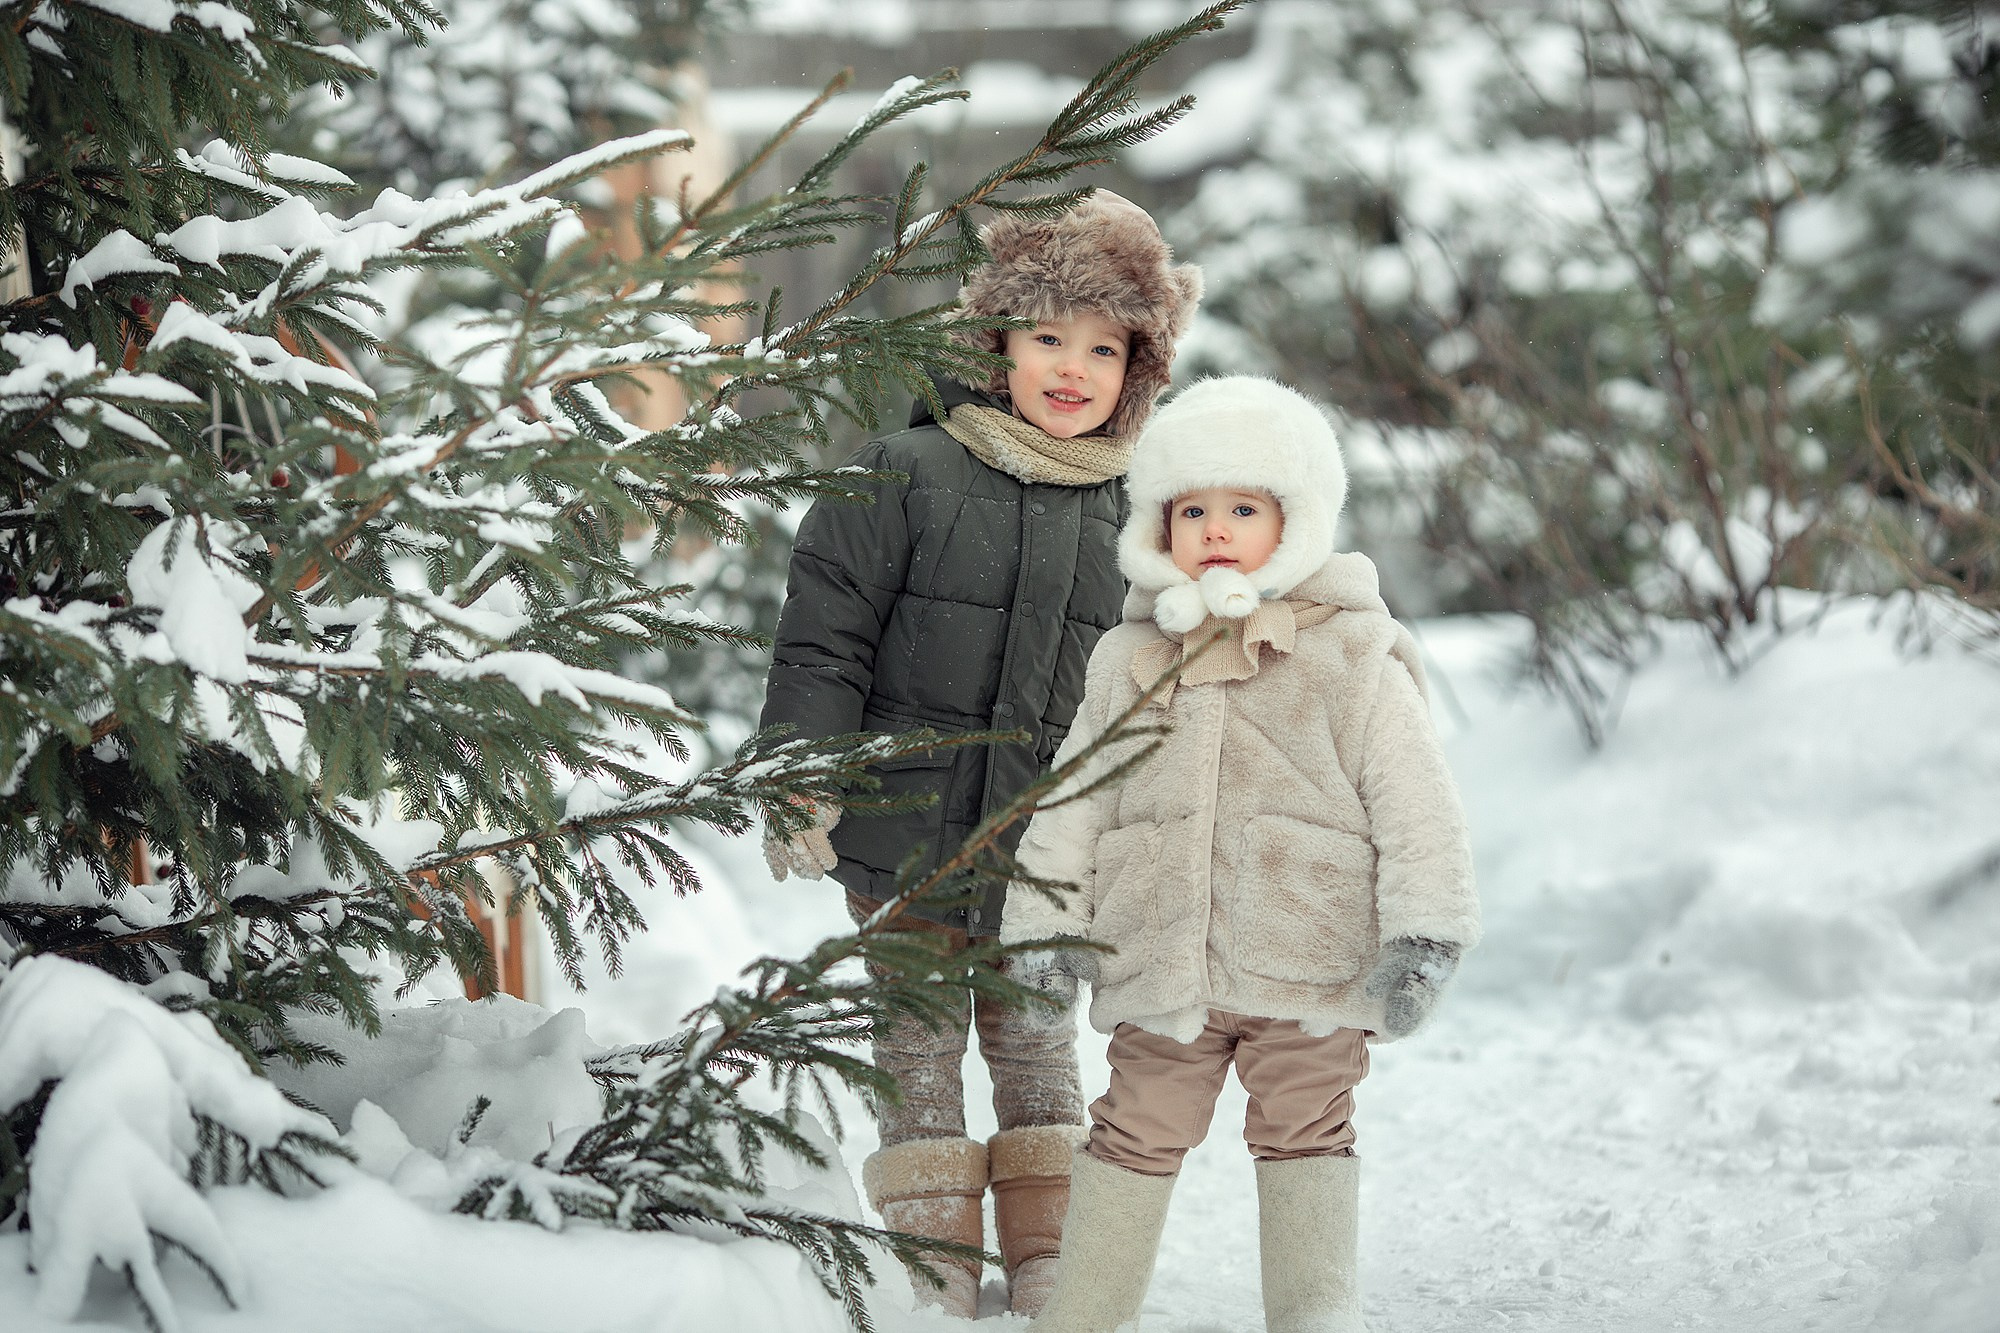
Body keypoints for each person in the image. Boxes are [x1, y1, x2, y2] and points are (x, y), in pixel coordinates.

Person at [758, 191, 1202, 1319]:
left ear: (1136, 372)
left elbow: (1163, 695)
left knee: (1037, 1048)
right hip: (900, 832)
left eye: (1102, 348)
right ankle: (933, 1257)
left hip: (1051, 852)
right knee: (912, 1044)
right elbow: (825, 635)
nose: (1071, 367)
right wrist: (801, 775)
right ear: (994, 342)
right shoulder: (905, 471)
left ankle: (1049, 1255)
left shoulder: (1144, 515)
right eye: (1047, 336)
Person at [999, 376, 1481, 1333]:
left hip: (1309, 955)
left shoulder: (1353, 655)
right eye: (1192, 509)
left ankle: (1315, 1314)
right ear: (1159, 524)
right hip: (1161, 955)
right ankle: (1084, 1315)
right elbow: (1073, 801)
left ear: (1295, 521)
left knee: (1307, 1133)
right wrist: (1043, 925)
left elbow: (1417, 806)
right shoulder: (1128, 657)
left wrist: (1426, 931)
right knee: (1133, 1128)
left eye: (1244, 508)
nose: (1216, 529)